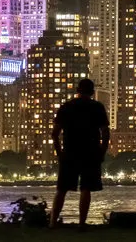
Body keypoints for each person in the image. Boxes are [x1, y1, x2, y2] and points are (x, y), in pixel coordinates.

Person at [50, 78, 110, 229]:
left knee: (62, 189)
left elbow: (55, 133)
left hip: (70, 152)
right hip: (90, 153)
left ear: (78, 90)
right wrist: (102, 152)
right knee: (86, 188)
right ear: (92, 91)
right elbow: (105, 133)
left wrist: (59, 153)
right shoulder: (97, 108)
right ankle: (82, 223)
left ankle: (52, 222)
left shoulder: (66, 107)